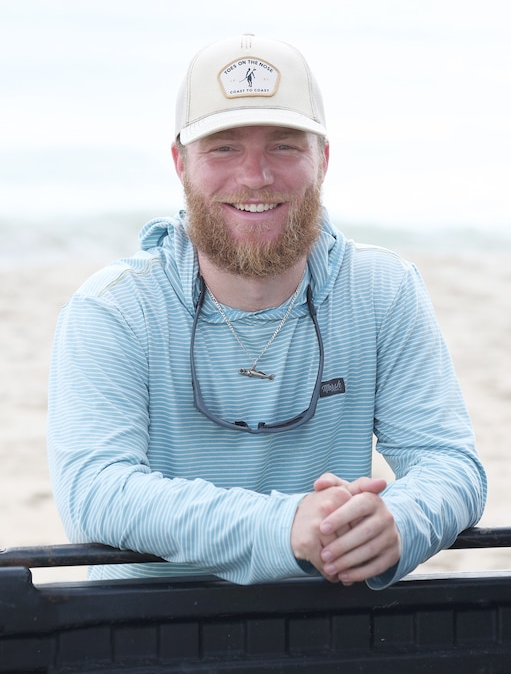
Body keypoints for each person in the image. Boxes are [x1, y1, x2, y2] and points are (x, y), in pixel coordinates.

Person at [47, 33, 486, 589]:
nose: (255, 176)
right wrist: (285, 526)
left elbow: (451, 465)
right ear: (180, 163)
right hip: (146, 627)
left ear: (322, 159)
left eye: (283, 146)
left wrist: (399, 520)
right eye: (224, 147)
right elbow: (96, 491)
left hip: (328, 622)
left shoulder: (383, 290)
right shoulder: (113, 308)